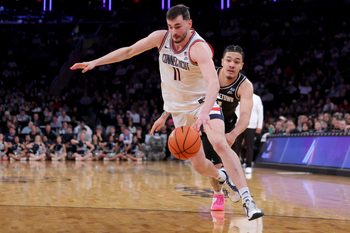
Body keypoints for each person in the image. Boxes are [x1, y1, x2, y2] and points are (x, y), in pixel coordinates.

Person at [70, 4, 263, 220]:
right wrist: (96, 62)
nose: (173, 31)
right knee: (199, 165)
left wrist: (204, 113)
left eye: (178, 26)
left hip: (202, 104)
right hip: (178, 112)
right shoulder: (160, 38)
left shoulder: (198, 47)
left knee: (219, 142)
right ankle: (222, 178)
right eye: (170, 26)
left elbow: (212, 84)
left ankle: (248, 200)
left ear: (189, 24)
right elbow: (129, 51)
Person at [152, 45, 254, 211]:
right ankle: (218, 193)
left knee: (224, 161)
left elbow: (245, 117)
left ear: (242, 65)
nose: (231, 64)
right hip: (204, 117)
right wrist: (164, 116)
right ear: (222, 61)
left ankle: (237, 194)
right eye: (228, 60)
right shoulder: (208, 73)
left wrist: (234, 134)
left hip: (227, 124)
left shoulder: (245, 85)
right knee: (212, 165)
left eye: (236, 61)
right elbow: (183, 95)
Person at [234, 93, 264, 174]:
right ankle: (235, 165)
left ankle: (248, 165)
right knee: (236, 146)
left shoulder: (256, 98)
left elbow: (260, 112)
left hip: (251, 124)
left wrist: (259, 125)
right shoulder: (237, 96)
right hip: (238, 124)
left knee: (249, 146)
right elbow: (234, 110)